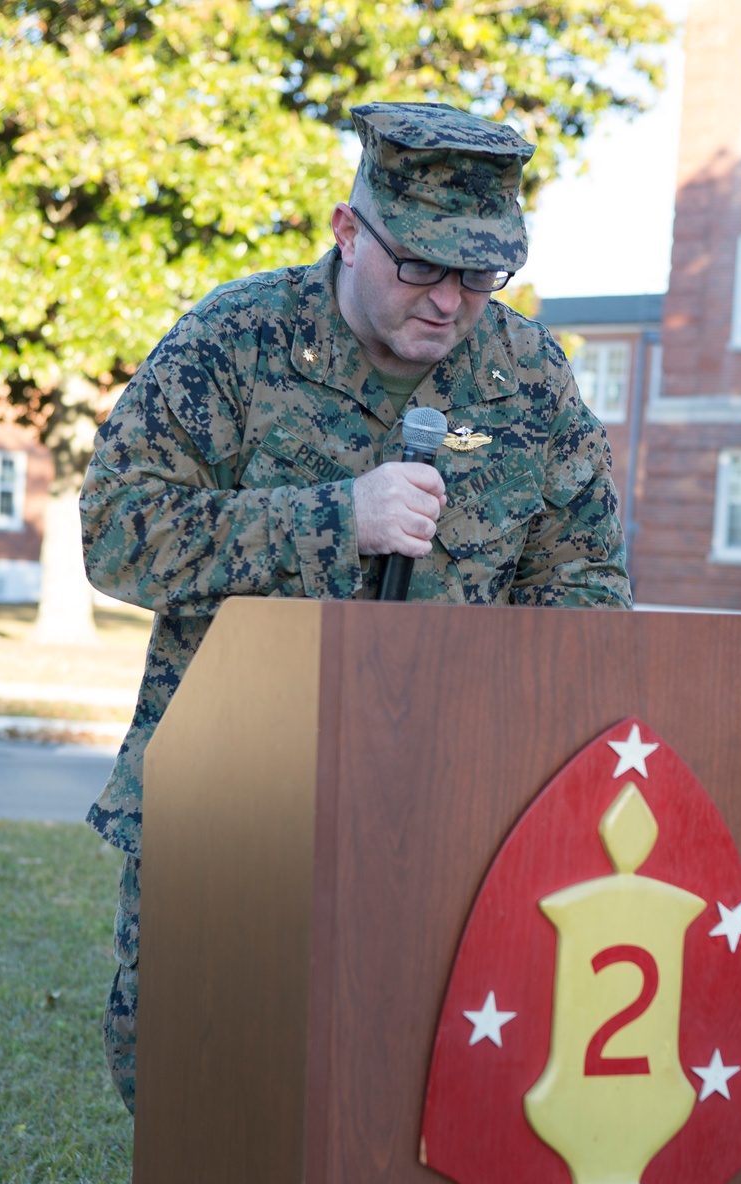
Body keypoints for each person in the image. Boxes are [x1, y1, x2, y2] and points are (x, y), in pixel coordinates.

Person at [80, 101, 634, 1114]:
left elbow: (584, 586)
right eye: (420, 264)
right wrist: (337, 519)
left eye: (480, 274)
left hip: (441, 805)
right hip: (234, 785)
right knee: (182, 1069)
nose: (448, 302)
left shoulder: (529, 382)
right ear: (347, 229)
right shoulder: (234, 342)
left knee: (403, 1086)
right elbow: (117, 533)